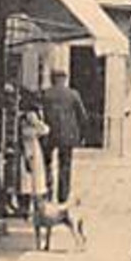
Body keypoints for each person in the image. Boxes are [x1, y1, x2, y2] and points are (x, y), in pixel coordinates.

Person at [38, 70, 88, 204]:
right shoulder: (73, 94)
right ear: (64, 79)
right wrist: (82, 134)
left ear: (52, 79)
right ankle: (63, 195)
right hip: (68, 135)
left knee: (46, 164)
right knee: (65, 165)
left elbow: (39, 113)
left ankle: (47, 191)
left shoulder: (45, 94)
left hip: (49, 134)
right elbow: (82, 115)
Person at [17, 92, 50, 211]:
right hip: (32, 147)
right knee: (34, 179)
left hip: (25, 147)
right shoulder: (31, 116)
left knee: (26, 179)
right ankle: (36, 207)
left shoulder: (22, 117)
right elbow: (44, 129)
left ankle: (25, 207)